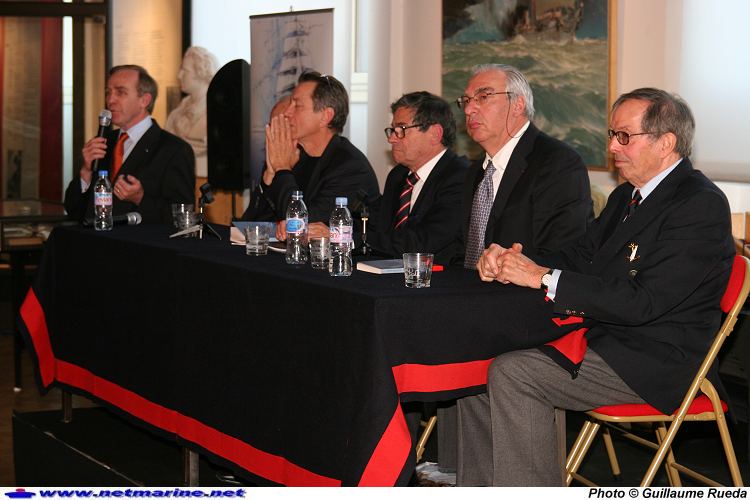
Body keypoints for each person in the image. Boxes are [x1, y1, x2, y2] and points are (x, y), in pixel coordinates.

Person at [456, 88, 735, 486]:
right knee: (476, 352)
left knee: (516, 373)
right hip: (605, 336)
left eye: (624, 136)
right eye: (611, 134)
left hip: (654, 359)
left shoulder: (699, 204)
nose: (612, 147)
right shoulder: (627, 196)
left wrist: (540, 277)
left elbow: (643, 303)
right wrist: (516, 260)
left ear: (666, 143)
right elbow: (579, 256)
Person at [458, 64, 592, 268]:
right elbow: (461, 250)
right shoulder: (475, 172)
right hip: (466, 285)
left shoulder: (558, 164)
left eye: (483, 97)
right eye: (466, 101)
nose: (468, 110)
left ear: (518, 105)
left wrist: (507, 264)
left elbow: (564, 256)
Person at [241, 71, 380, 240]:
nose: (287, 113)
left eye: (297, 106)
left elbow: (302, 226)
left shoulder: (350, 168)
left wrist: (282, 169)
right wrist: (270, 176)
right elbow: (250, 227)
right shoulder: (294, 154)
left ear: (325, 116)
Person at [65, 65, 195, 224]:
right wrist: (86, 172)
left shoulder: (173, 149)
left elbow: (183, 219)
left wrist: (140, 198)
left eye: (120, 92)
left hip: (138, 239)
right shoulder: (103, 142)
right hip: (95, 237)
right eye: (108, 92)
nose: (110, 101)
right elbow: (73, 210)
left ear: (144, 100)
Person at [368, 91, 468, 265]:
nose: (392, 139)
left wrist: (358, 239)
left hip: (439, 277)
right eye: (392, 130)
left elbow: (421, 242)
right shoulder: (398, 175)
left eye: (401, 129)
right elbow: (381, 228)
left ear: (435, 134)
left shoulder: (460, 177)